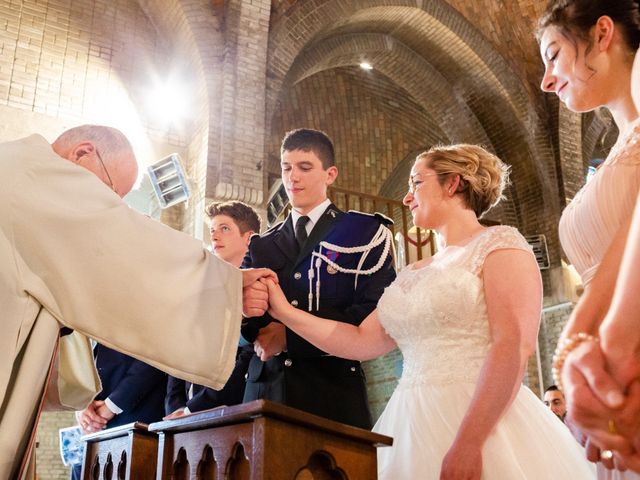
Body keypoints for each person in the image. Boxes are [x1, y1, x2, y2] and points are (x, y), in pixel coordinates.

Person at [264, 143, 596, 479]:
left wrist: (470, 442)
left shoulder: (499, 245)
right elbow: (361, 340)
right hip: (407, 422)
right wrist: (285, 312)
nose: (407, 198)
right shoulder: (411, 272)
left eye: (416, 184)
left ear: (453, 183)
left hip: (479, 418)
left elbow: (512, 345)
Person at [0, 125, 274, 478]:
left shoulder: (18, 167)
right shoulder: (36, 174)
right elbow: (128, 245)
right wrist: (226, 286)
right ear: (82, 153)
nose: (111, 207)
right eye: (111, 194)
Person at [537, 0, 640, 474]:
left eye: (553, 54)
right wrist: (580, 351)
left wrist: (600, 338)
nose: (546, 79)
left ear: (602, 34)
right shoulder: (618, 148)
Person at [241, 128, 396, 429]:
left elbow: (370, 315)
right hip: (264, 395)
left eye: (305, 167)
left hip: (331, 392)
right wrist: (247, 314)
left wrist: (289, 336)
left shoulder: (365, 233)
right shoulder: (261, 244)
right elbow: (234, 322)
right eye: (286, 168)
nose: (292, 177)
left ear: (330, 174)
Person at [164, 201, 259, 419]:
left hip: (229, 411)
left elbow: (246, 357)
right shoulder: (202, 288)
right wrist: (176, 407)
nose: (215, 237)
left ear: (249, 237)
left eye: (224, 229)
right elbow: (179, 350)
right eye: (212, 231)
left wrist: (193, 409)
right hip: (181, 415)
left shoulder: (256, 289)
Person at [71, 345, 167, 479]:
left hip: (136, 420)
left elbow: (158, 351)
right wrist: (81, 403)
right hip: (90, 428)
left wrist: (112, 405)